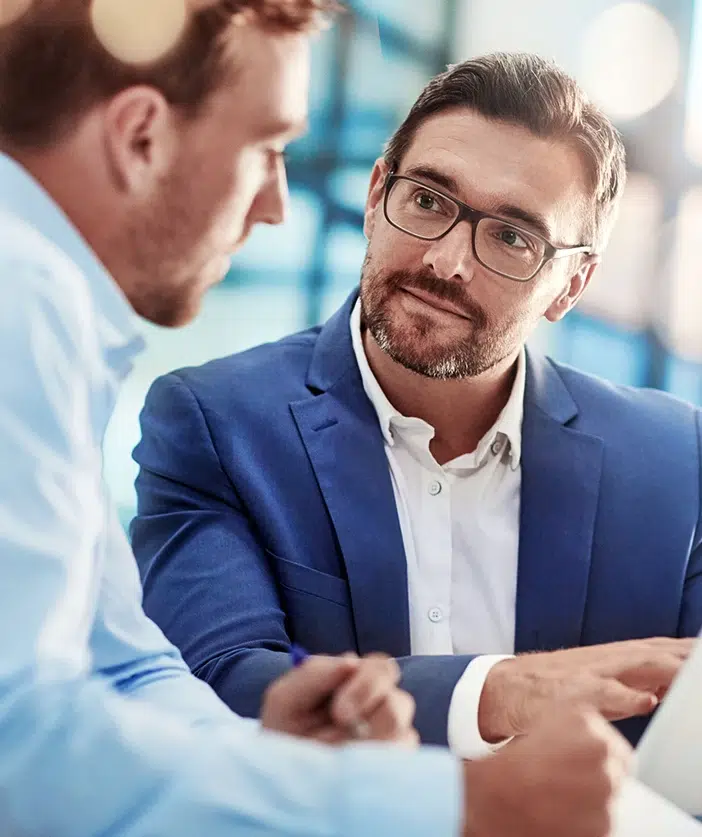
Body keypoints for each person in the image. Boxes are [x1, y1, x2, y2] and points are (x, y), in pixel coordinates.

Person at [0, 2, 633, 836]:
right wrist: (460, 805)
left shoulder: (51, 314)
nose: (275, 204)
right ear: (140, 135)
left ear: (570, 284)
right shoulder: (23, 298)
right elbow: (23, 750)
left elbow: (125, 664)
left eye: (512, 237)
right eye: (267, 148)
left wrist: (266, 756)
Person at [131, 51, 702, 758]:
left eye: (511, 237)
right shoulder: (216, 423)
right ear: (376, 197)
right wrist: (500, 690)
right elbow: (222, 684)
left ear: (570, 285)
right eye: (428, 201)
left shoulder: (677, 463)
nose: (447, 262)